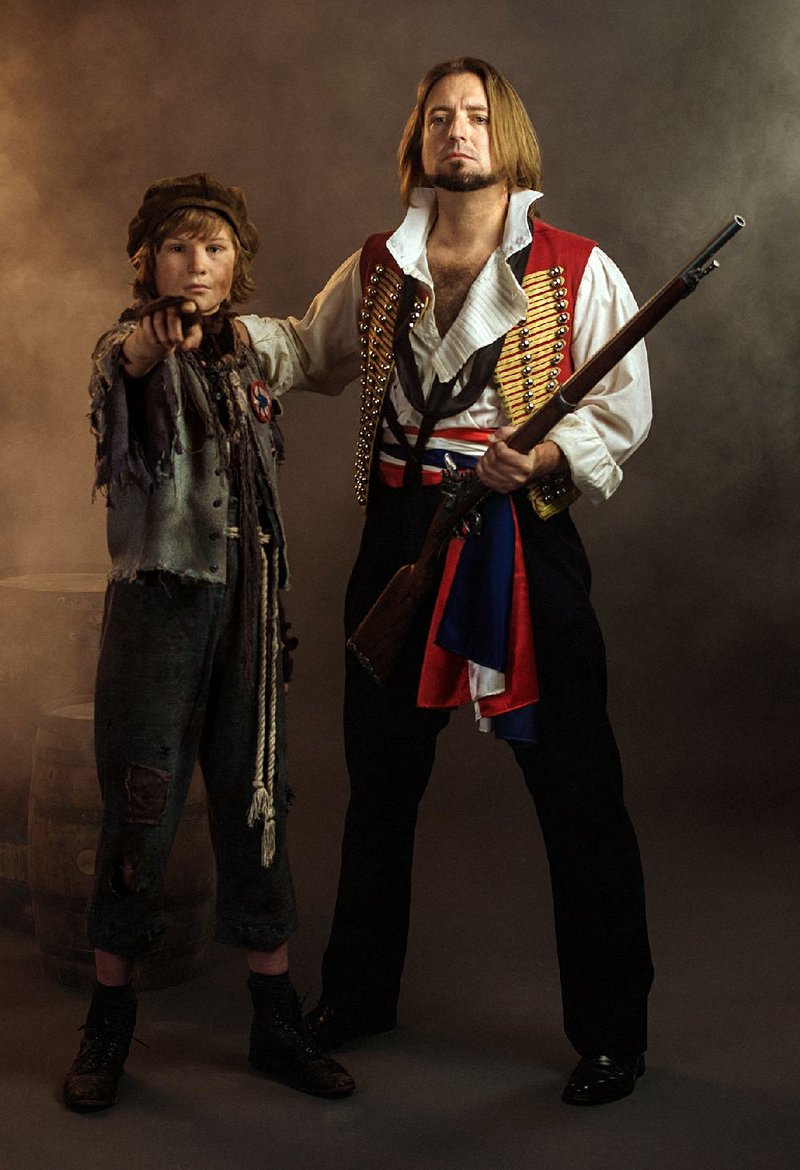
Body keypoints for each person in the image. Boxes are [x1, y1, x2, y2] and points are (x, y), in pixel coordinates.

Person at [239, 57, 655, 1106]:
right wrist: (214, 327)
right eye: (438, 117)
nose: (456, 132)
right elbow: (302, 350)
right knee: (380, 786)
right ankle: (360, 996)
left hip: (522, 539)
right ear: (417, 140)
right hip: (399, 536)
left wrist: (544, 460)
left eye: (474, 115)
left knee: (577, 789)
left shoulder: (573, 265)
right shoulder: (379, 267)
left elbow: (618, 413)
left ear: (504, 134)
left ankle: (612, 1031)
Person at [62, 173, 354, 1112]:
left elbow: (320, 346)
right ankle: (110, 1021)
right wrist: (158, 336)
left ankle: (275, 1018)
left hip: (252, 607)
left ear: (238, 265)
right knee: (140, 807)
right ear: (148, 261)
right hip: (160, 607)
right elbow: (134, 362)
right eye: (180, 248)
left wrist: (387, 260)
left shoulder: (257, 345)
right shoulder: (125, 345)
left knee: (255, 799)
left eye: (216, 249)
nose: (197, 265)